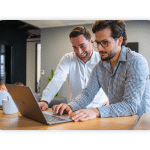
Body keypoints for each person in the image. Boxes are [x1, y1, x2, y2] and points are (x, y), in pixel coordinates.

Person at [52, 20, 149, 122]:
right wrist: (71, 106)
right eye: (98, 43)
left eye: (105, 43)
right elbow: (87, 94)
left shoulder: (136, 62)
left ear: (119, 41)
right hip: (117, 121)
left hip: (140, 124)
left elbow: (131, 106)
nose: (99, 48)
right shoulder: (100, 67)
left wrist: (95, 111)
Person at [38, 26, 108, 111]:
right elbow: (57, 79)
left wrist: (112, 100)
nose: (79, 51)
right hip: (76, 110)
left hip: (99, 110)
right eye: (75, 47)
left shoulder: (103, 59)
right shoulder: (68, 58)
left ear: (92, 41)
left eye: (82, 46)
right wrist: (45, 100)